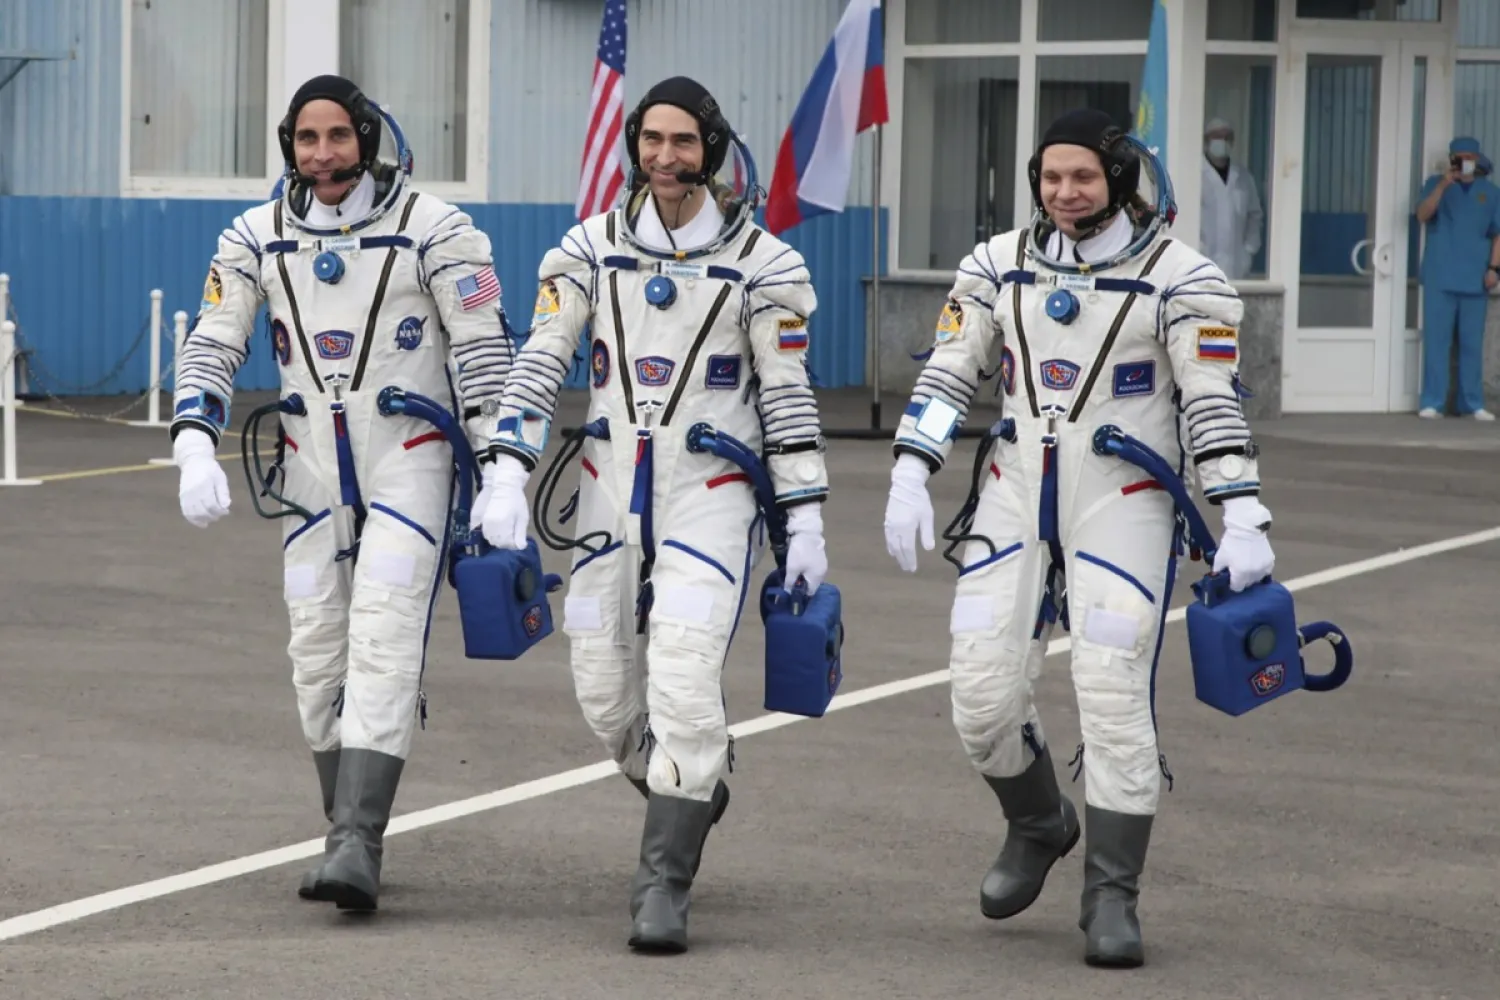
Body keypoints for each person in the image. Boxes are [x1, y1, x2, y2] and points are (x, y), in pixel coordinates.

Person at [882, 108, 1275, 969]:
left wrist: (1240, 510)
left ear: (1120, 178)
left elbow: (1213, 403)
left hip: (1122, 501)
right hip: (1015, 496)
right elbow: (950, 371)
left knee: (1109, 686)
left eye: (1084, 177)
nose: (1066, 193)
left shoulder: (1183, 279)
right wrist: (914, 465)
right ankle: (1037, 822)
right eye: (1052, 177)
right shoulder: (997, 267)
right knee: (981, 695)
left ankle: (1111, 893)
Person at [478, 76, 831, 954]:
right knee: (602, 688)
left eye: (682, 142)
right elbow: (540, 359)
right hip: (606, 491)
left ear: (711, 148)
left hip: (709, 496)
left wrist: (807, 517)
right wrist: (504, 468)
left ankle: (662, 882)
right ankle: (691, 781)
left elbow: (787, 402)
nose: (665, 158)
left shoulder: (766, 266)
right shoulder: (588, 251)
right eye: (651, 141)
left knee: (680, 670)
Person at [168, 74, 515, 911]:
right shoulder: (257, 236)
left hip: (411, 460)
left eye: (338, 137)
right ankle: (345, 830)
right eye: (306, 139)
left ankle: (357, 842)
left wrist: (504, 468)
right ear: (289, 145)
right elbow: (216, 336)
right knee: (317, 651)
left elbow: (482, 355)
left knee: (385, 635)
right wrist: (191, 441)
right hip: (310, 472)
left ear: (369, 137)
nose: (322, 156)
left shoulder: (434, 231)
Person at [1414, 136, 1499, 421]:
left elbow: (1498, 233)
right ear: (1451, 159)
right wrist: (1443, 185)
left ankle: (1472, 403)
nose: (1463, 163)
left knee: (1472, 343)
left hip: (1475, 277)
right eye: (1458, 158)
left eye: (1468, 158)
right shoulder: (1435, 184)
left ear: (1477, 160)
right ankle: (1432, 401)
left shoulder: (1490, 193)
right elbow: (1422, 215)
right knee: (1437, 342)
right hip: (1441, 275)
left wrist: (1494, 268)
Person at [1198, 117, 1264, 281]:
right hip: (1201, 261)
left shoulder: (1243, 177)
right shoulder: (1196, 174)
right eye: (1217, 137)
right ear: (1206, 141)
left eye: (1227, 137)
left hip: (1236, 266)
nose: (1223, 141)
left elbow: (1254, 215)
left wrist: (1248, 250)